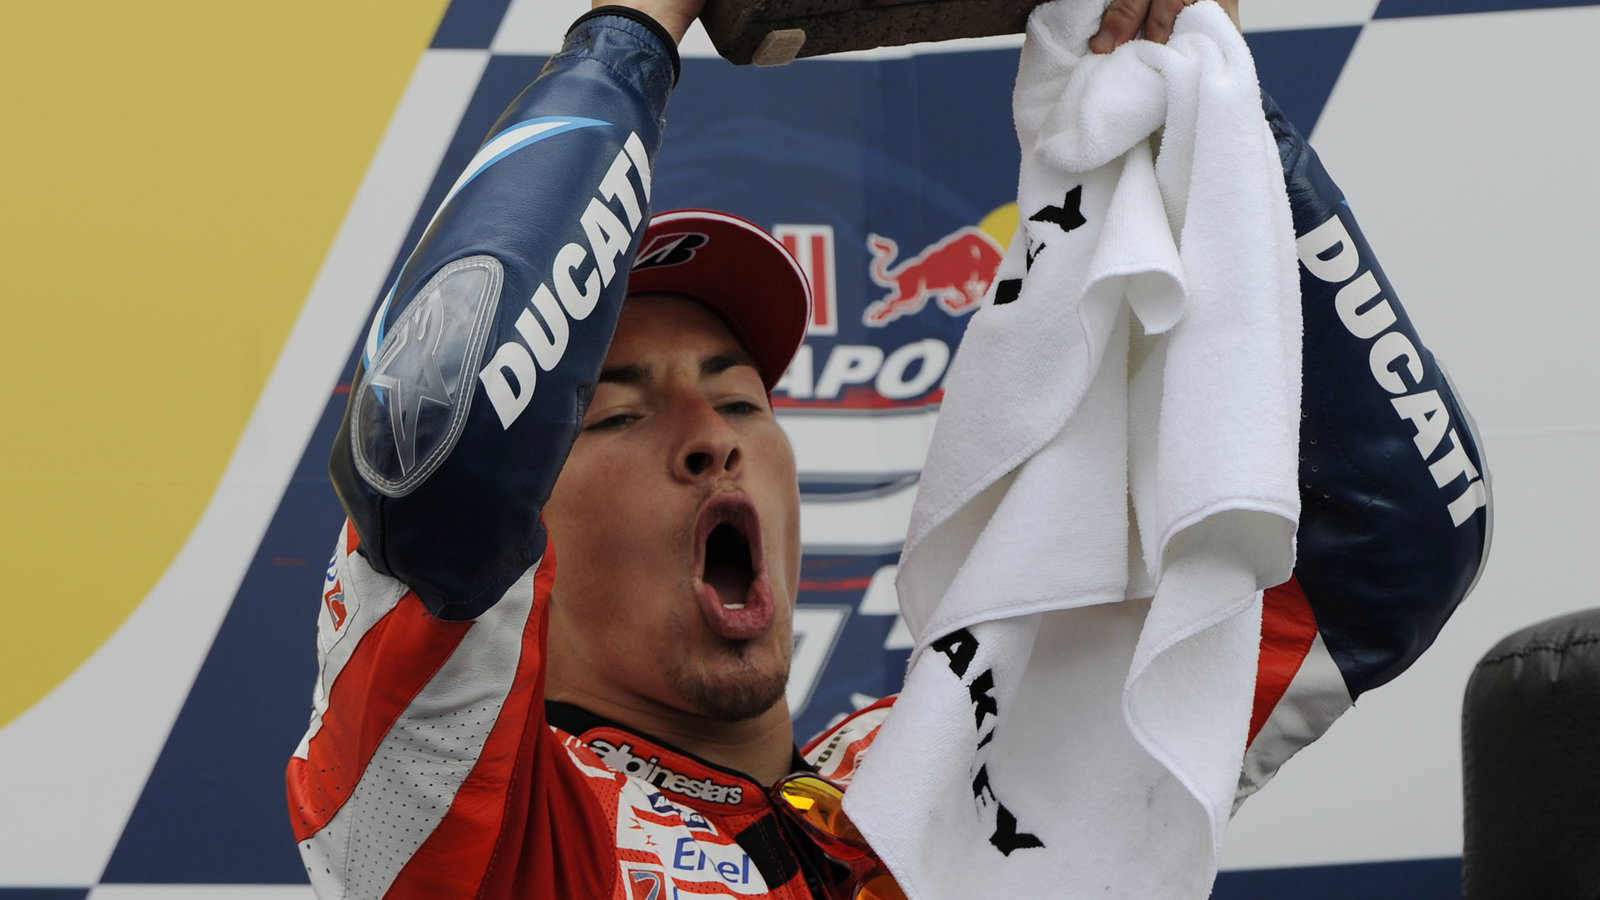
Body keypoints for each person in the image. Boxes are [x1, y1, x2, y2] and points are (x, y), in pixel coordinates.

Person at [287, 1, 1490, 897]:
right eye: (617, 412)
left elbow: (1385, 545)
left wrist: (1205, 111)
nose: (710, 441)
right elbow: (436, 437)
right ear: (523, 557)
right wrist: (628, 34)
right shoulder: (465, 827)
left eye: (741, 399)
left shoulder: (940, 773)